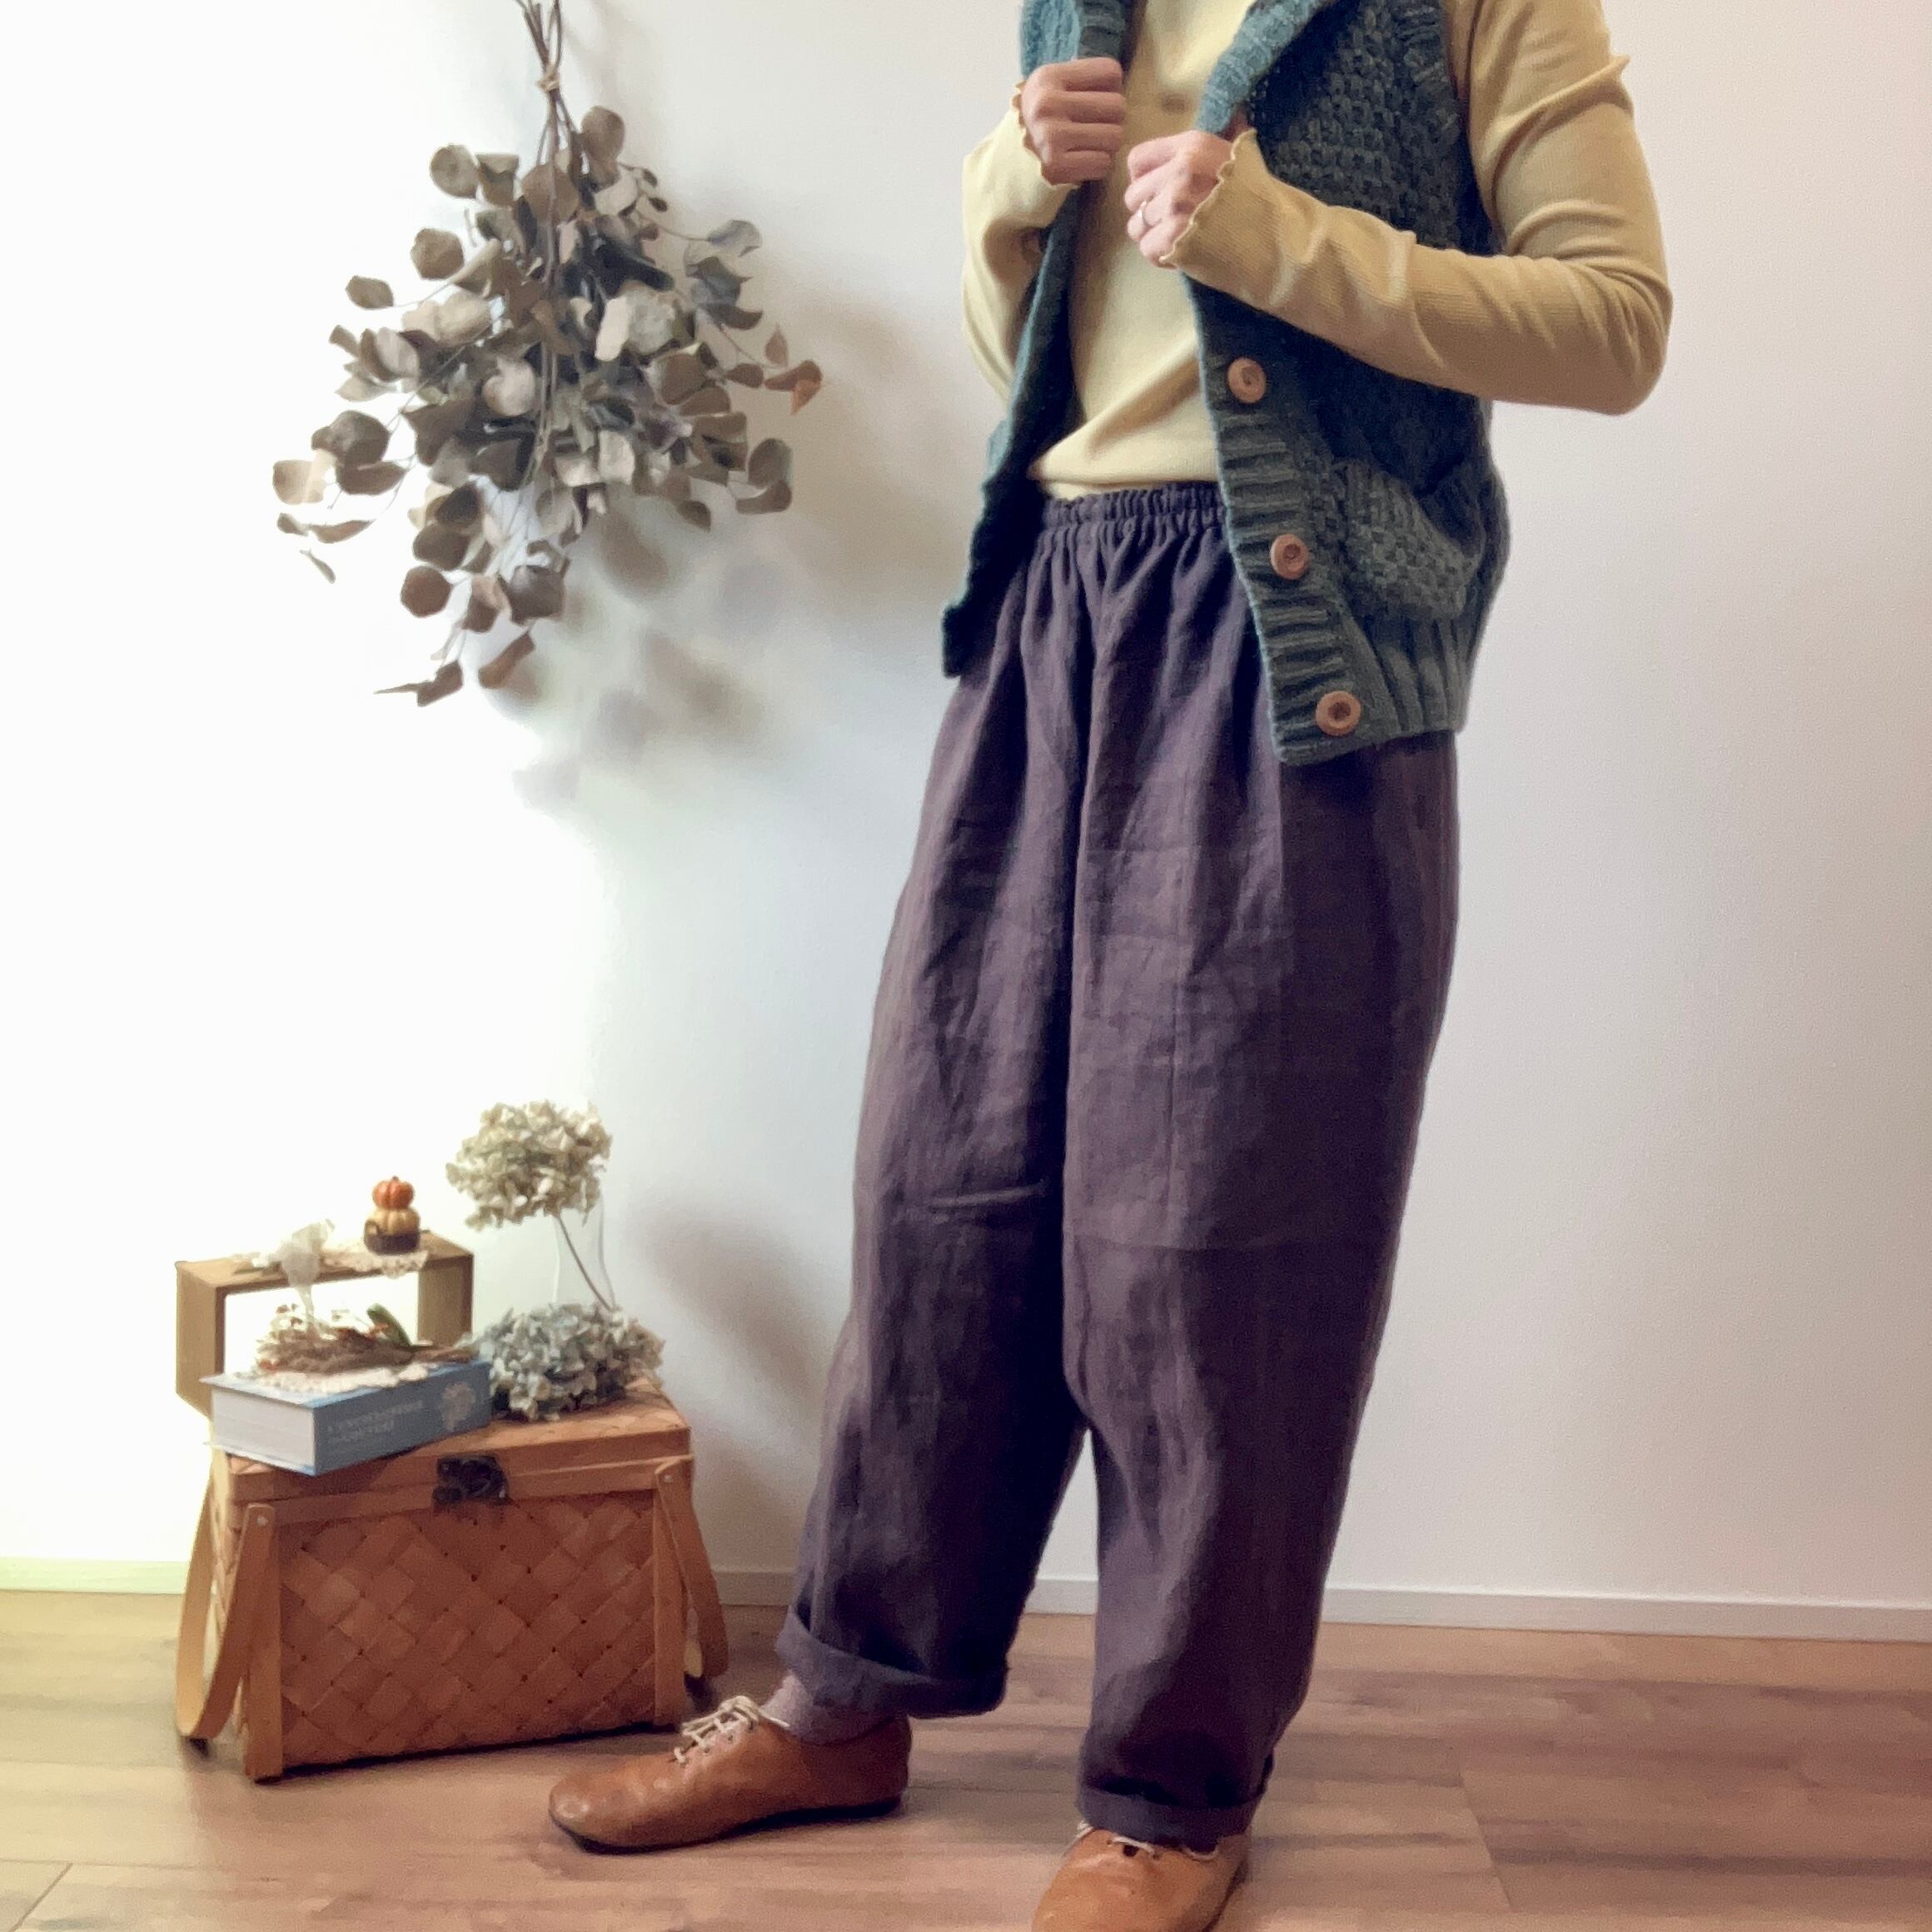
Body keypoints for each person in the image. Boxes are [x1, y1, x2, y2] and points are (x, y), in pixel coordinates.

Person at [547, 0, 1671, 1925]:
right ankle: (844, 1695)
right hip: (1054, 613)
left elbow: (1613, 321)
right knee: (941, 1180)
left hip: (1293, 657)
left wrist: (1274, 237)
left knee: (1217, 1244)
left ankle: (1169, 1789)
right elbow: (1046, 366)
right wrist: (1005, 189)